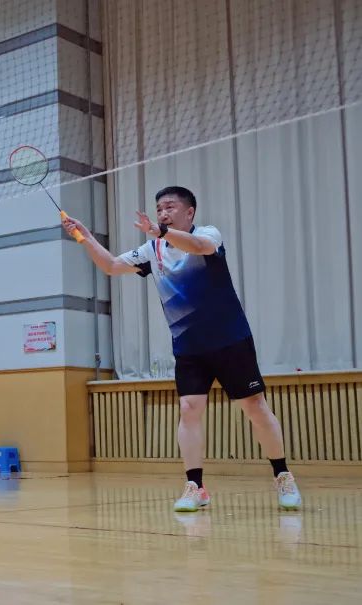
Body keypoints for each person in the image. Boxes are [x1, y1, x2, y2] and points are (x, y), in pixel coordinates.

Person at [63, 186, 301, 511]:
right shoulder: (153, 249)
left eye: (170, 207)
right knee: (189, 409)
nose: (163, 213)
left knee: (255, 407)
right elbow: (112, 266)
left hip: (230, 339)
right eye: (159, 209)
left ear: (189, 212)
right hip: (189, 347)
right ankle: (195, 486)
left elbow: (200, 247)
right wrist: (85, 237)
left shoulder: (207, 234)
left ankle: (283, 475)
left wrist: (161, 231)